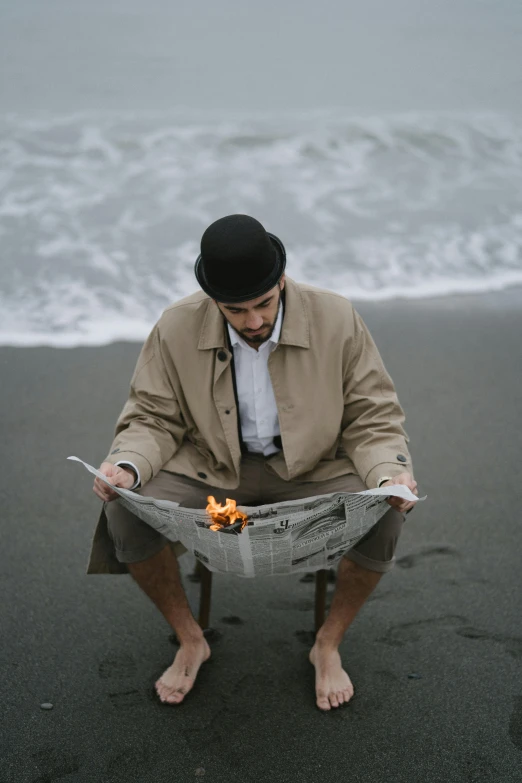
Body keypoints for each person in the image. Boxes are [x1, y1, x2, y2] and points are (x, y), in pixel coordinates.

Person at [89, 214, 418, 711]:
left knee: (387, 509)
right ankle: (190, 638)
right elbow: (152, 417)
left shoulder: (337, 317)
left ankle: (327, 644)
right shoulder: (176, 325)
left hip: (312, 472)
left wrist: (386, 473)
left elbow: (372, 414)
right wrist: (127, 466)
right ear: (213, 300)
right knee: (121, 508)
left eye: (263, 303)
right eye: (235, 310)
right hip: (214, 473)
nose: (253, 321)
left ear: (281, 280)